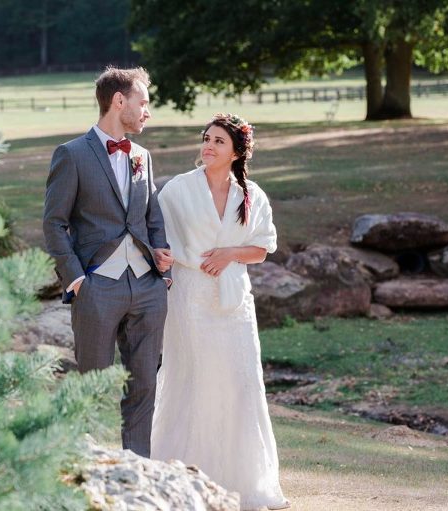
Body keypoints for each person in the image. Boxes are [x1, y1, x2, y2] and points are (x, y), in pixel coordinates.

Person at [151, 113, 290, 510]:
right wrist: (162, 257)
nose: (208, 147)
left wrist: (230, 253)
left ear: (236, 152)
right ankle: (180, 478)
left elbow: (262, 248)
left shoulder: (251, 195)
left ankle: (243, 482)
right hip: (190, 298)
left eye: (218, 142)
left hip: (234, 304)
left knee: (240, 384)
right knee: (191, 379)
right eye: (206, 138)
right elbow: (156, 238)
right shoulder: (177, 190)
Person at [43, 67, 173, 457]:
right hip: (97, 287)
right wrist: (76, 279)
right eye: (143, 102)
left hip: (148, 288)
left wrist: (161, 266)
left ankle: (138, 469)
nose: (147, 112)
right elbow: (53, 222)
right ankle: (79, 468)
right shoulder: (72, 154)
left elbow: (152, 213)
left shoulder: (142, 157)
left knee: (145, 384)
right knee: (92, 383)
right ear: (120, 101)